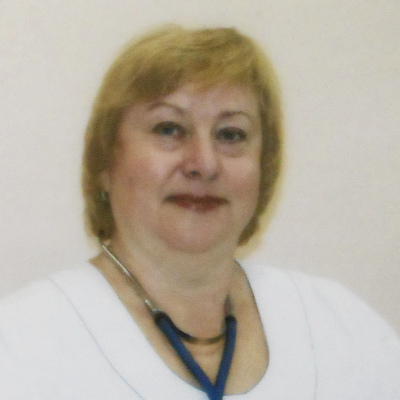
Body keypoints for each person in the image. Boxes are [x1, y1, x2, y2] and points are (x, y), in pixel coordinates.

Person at [0, 25, 399, 400]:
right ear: (105, 161)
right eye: (169, 128)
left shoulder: (343, 331)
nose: (204, 164)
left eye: (231, 135)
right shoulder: (24, 344)